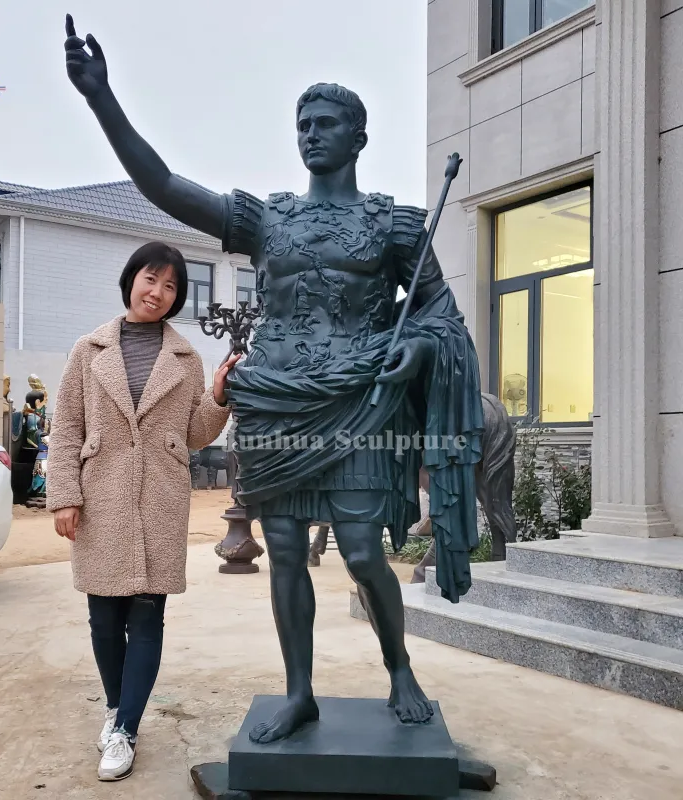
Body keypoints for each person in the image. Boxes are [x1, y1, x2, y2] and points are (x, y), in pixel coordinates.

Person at [63, 15, 484, 747]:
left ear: (358, 138)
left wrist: (414, 351)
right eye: (302, 124)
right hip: (276, 401)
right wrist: (101, 97)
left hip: (357, 404)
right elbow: (161, 184)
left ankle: (399, 668)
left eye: (327, 124)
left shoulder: (395, 227)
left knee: (359, 550)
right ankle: (299, 693)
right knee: (284, 551)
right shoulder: (269, 221)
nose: (311, 134)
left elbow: (438, 316)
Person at [47, 241, 236, 781]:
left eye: (171, 286)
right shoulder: (88, 351)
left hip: (159, 497)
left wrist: (218, 396)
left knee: (147, 612)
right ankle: (116, 710)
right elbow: (67, 430)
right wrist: (64, 496)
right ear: (132, 279)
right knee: (104, 618)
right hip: (101, 494)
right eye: (152, 279)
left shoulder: (185, 358)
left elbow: (194, 433)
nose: (159, 292)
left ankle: (125, 729)